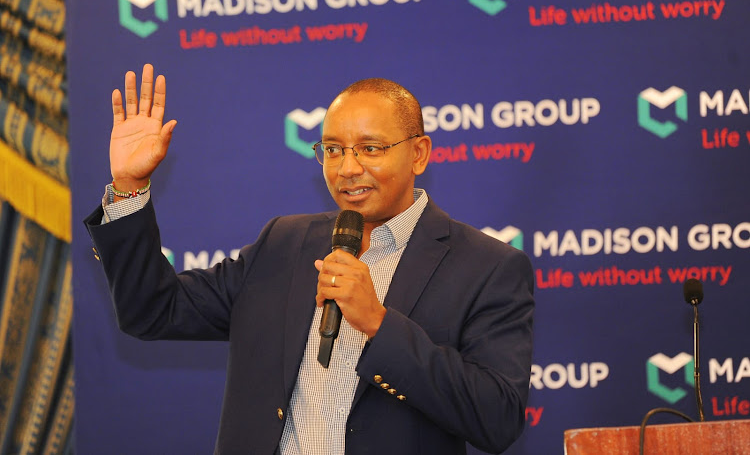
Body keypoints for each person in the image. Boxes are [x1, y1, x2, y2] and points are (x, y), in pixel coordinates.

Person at [84, 64, 535, 455]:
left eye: (370, 149)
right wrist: (128, 187)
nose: (347, 168)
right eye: (333, 150)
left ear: (418, 153)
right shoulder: (285, 242)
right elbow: (152, 311)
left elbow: (497, 419)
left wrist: (379, 324)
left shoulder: (486, 266)